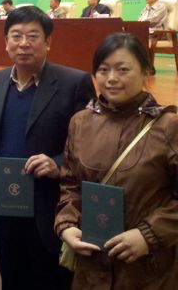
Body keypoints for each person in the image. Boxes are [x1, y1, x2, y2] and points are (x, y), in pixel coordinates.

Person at [0, 6, 95, 290]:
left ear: (48, 41)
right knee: (11, 280)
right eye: (16, 36)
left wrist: (57, 163)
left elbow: (91, 144)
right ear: (6, 42)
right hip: (6, 209)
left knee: (52, 282)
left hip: (50, 208)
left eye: (33, 36)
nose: (24, 43)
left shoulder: (74, 82)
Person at [55, 32, 178, 289]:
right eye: (103, 70)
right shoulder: (81, 122)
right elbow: (70, 184)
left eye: (123, 69)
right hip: (91, 269)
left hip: (148, 270)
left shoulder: (169, 126)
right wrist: (66, 225)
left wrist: (148, 235)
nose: (111, 78)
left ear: (146, 72)